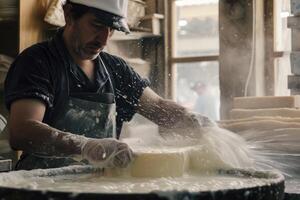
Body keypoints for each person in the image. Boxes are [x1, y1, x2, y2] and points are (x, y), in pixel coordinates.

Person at [4, 0, 213, 170]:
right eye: (96, 25)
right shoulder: (37, 62)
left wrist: (193, 121)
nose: (104, 39)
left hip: (99, 187)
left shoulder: (115, 69)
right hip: (40, 188)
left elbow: (158, 107)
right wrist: (85, 146)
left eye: (111, 29)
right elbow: (22, 131)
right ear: (69, 15)